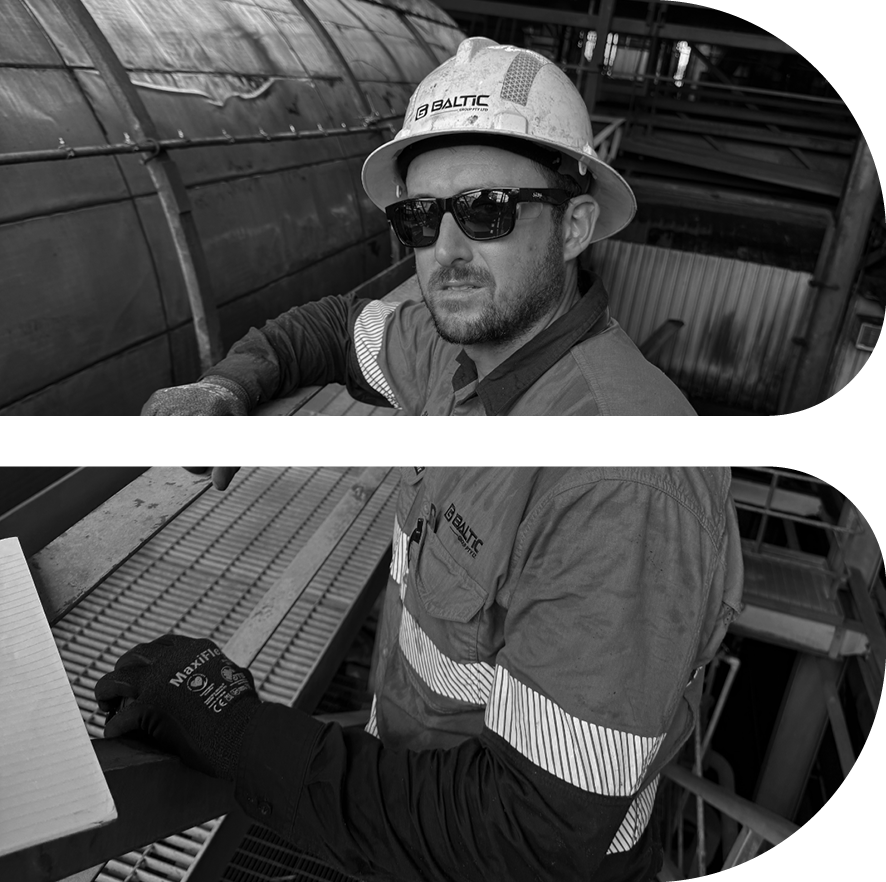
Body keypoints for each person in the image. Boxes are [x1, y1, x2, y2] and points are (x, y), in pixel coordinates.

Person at [96, 465, 744, 882]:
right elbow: (349, 333)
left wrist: (241, 733)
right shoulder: (456, 379)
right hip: (414, 821)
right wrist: (236, 383)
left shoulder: (629, 503)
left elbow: (523, 838)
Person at [141, 37, 697, 470]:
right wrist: (224, 385)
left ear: (574, 227)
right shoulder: (445, 354)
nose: (446, 251)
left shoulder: (622, 469)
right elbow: (332, 328)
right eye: (421, 216)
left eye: (487, 210)